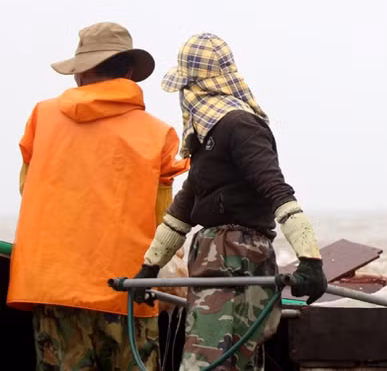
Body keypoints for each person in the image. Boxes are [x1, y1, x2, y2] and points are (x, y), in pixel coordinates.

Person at [132, 32, 327, 370]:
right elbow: (182, 211)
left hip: (237, 258)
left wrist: (310, 259)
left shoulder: (240, 127)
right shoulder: (207, 137)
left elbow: (277, 192)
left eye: (186, 87)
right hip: (214, 259)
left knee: (208, 362)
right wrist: (149, 267)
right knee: (231, 360)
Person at [7, 22, 189, 370]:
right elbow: (164, 221)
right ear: (130, 72)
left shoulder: (42, 117)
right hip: (129, 290)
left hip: (53, 286)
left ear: (80, 72)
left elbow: (27, 188)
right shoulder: (158, 135)